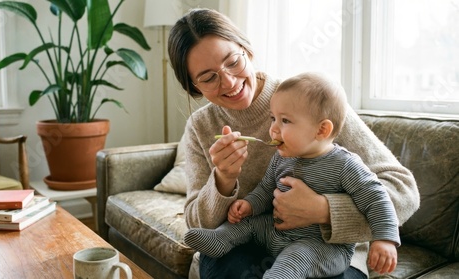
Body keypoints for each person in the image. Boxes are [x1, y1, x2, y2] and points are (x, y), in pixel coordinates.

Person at [167, 8, 419, 279]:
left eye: (232, 62)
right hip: (254, 243)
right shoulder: (200, 126)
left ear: (246, 50)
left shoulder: (309, 101)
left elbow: (403, 190)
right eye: (208, 77)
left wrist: (324, 210)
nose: (228, 81)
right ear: (194, 87)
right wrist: (223, 180)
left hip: (325, 252)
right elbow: (195, 222)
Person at [183, 72, 400, 278]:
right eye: (272, 119)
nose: (273, 129)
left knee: (296, 257)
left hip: (322, 247)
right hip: (277, 234)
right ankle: (220, 239)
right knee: (249, 224)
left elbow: (377, 199)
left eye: (284, 121)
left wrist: (385, 238)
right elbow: (266, 189)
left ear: (322, 130)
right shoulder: (281, 157)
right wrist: (248, 205)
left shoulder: (345, 165)